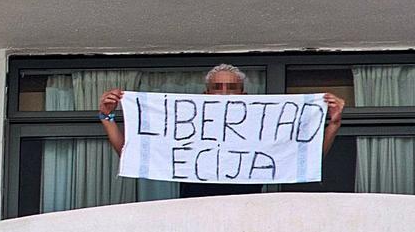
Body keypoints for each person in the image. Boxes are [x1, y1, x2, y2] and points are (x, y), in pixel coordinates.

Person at [97, 63, 345, 197]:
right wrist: (108, 117)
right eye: (218, 87)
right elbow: (137, 156)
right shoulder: (187, 122)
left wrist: (332, 125)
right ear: (207, 94)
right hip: (194, 217)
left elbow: (302, 161)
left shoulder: (259, 125)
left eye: (231, 87)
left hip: (245, 219)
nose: (224, 93)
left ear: (243, 94)